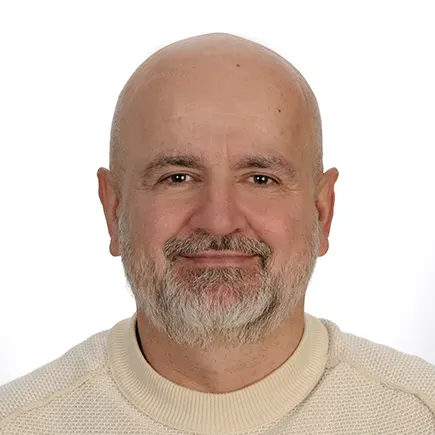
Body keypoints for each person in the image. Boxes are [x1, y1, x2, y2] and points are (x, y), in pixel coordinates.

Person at [0, 32, 434, 435]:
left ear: (322, 211)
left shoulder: (419, 416)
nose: (219, 220)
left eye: (261, 179)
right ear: (114, 209)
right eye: (177, 177)